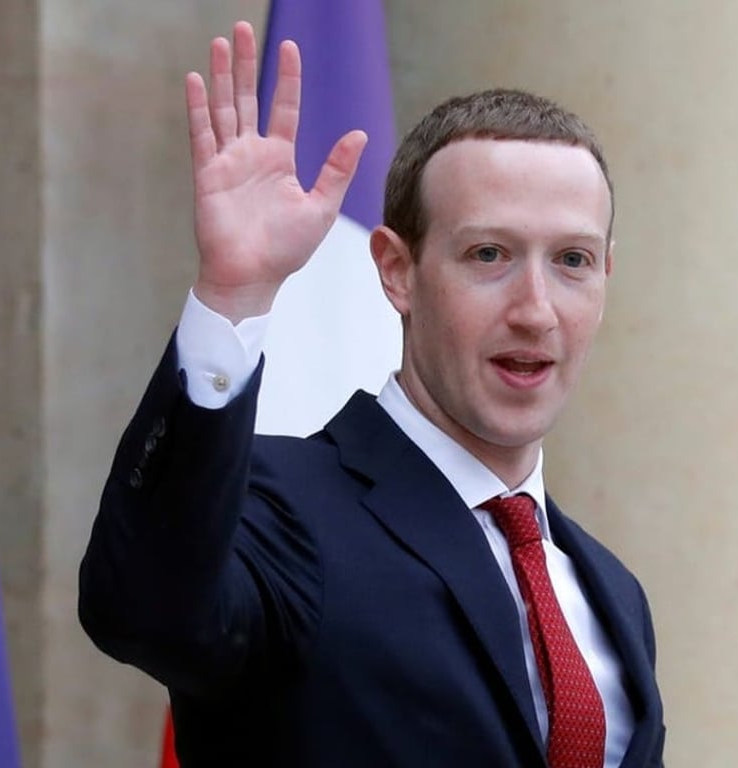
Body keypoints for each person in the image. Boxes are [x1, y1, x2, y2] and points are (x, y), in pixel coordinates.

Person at [79, 20, 665, 768]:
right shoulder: (279, 508)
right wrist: (233, 294)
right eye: (489, 254)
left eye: (572, 261)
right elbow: (144, 612)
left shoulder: (611, 593)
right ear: (396, 270)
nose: (535, 309)